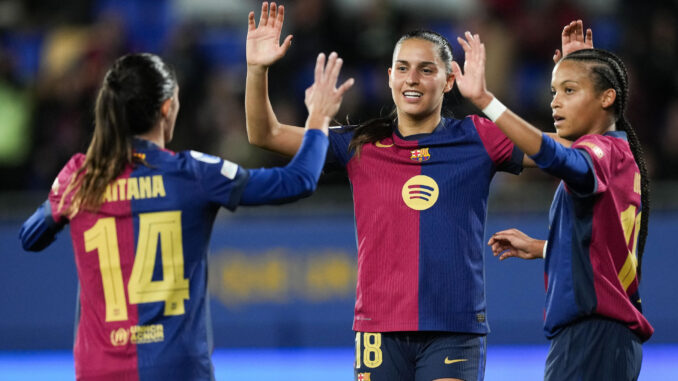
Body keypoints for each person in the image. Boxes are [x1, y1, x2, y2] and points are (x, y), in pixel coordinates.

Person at [244, 3, 591, 380]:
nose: (413, 79)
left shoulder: (479, 137)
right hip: (378, 328)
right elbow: (266, 134)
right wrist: (256, 68)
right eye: (404, 68)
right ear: (389, 76)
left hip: (454, 328)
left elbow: (578, 151)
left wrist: (580, 84)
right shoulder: (360, 144)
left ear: (448, 81)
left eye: (427, 70)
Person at [19, 51, 352, 380]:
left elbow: (31, 237)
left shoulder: (80, 176)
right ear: (167, 107)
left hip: (99, 370)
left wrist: (61, 199)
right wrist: (318, 119)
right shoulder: (193, 173)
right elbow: (299, 181)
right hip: (176, 367)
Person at [453, 29, 653, 380]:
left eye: (569, 91)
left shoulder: (596, 153)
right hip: (604, 340)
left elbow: (554, 157)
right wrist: (545, 247)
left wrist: (486, 101)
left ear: (607, 98)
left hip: (593, 339)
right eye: (554, 91)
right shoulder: (617, 154)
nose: (554, 102)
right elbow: (605, 247)